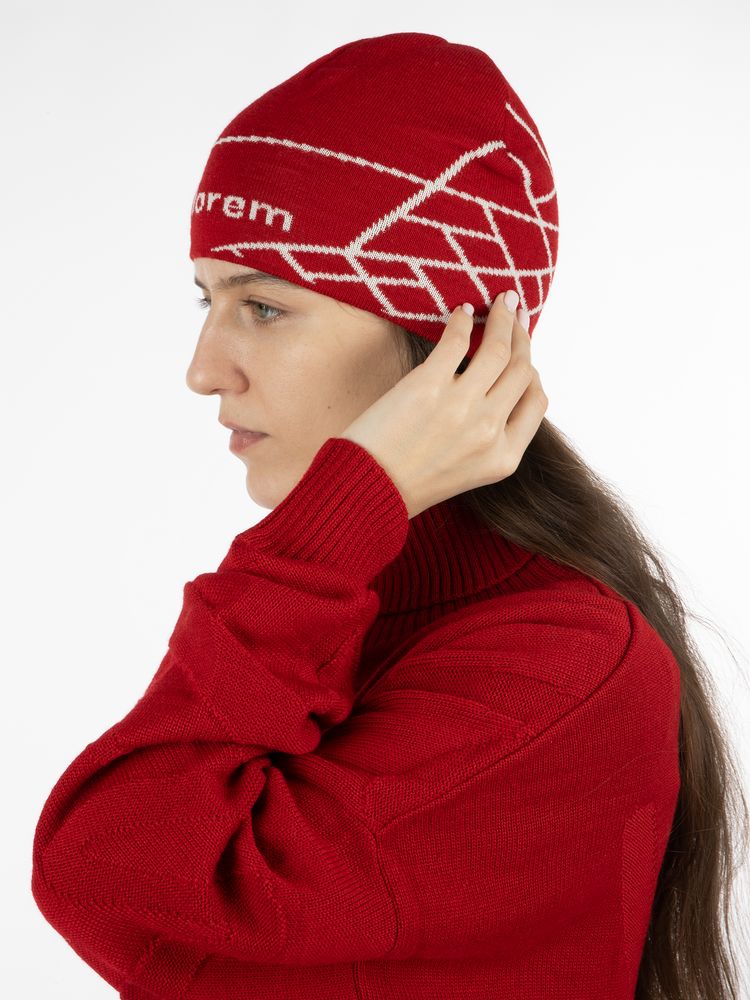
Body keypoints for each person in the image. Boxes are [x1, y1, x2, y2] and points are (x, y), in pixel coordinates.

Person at [31, 31, 748, 1000]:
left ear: (447, 335)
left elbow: (106, 871)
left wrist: (335, 521)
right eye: (206, 301)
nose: (203, 370)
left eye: (263, 306)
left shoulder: (562, 668)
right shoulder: (335, 618)